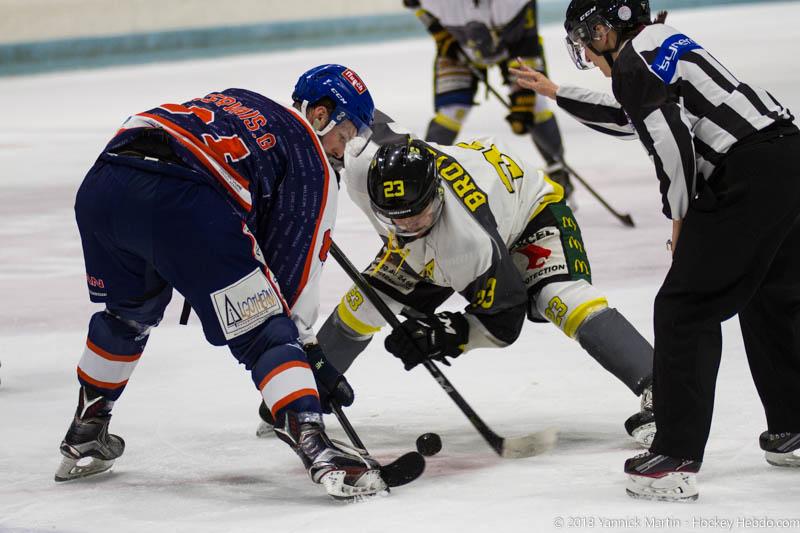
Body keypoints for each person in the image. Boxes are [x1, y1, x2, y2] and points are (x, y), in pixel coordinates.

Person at [512, 0, 800, 501]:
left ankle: (675, 457)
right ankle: (795, 427)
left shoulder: (632, 63)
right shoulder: (658, 45)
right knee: (770, 295)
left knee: (683, 309)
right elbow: (633, 117)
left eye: (584, 41)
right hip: (788, 158)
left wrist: (680, 219)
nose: (586, 54)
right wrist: (556, 92)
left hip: (747, 175)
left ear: (603, 31)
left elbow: (672, 145)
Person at [57, 64, 385, 501]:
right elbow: (291, 291)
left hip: (105, 183)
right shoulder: (312, 161)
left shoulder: (241, 99)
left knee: (126, 315)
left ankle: (86, 431)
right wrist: (308, 356)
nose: (345, 150)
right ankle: (316, 446)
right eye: (345, 135)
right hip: (183, 202)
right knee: (267, 329)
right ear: (321, 115)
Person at [255, 114, 656, 446]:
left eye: (419, 215)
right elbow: (356, 122)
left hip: (529, 214)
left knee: (561, 298)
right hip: (454, 223)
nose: (410, 226)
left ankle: (661, 389)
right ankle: (298, 397)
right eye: (397, 219)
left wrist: (445, 335)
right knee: (362, 306)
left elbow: (506, 318)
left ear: (437, 194)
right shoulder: (363, 162)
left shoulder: (467, 242)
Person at [403, 0, 575, 199]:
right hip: (458, 45)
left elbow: (527, 43)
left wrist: (524, 97)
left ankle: (558, 170)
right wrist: (439, 32)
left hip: (512, 48)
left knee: (534, 107)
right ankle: (424, 175)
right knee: (451, 112)